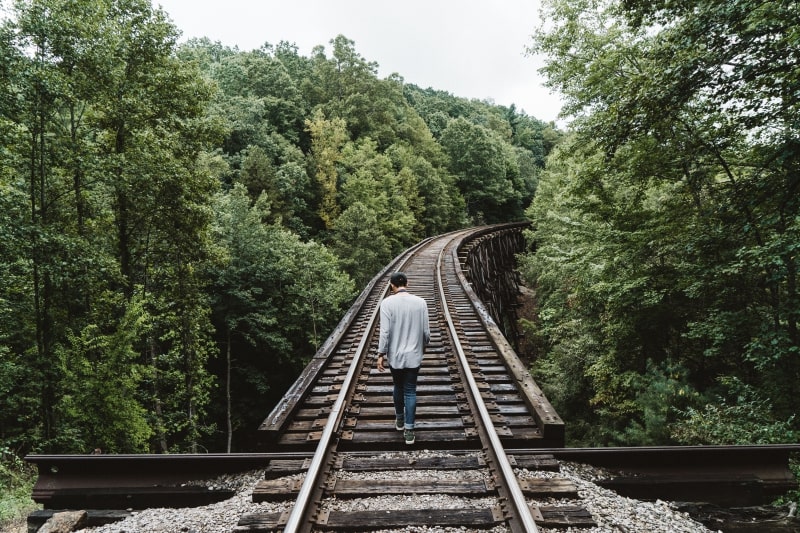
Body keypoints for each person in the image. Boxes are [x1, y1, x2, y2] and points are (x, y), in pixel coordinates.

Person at [376, 271, 431, 445]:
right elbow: (426, 332)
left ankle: (400, 420)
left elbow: (384, 332)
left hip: (395, 355)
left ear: (392, 286)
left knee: (397, 385)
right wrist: (423, 346)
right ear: (407, 283)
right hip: (414, 355)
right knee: (410, 390)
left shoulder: (386, 303)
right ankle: (409, 431)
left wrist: (381, 354)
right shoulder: (421, 303)